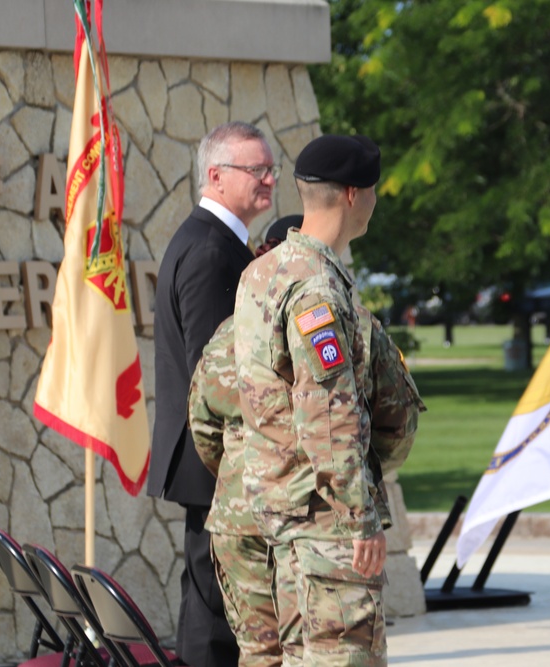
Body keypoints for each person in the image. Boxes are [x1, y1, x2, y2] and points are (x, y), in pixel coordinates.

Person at [188, 217, 424, 666]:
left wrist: (243, 473)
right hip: (315, 513)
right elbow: (398, 420)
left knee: (261, 653)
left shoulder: (228, 333)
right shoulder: (349, 320)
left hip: (241, 514)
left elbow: (202, 425)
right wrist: (361, 480)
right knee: (324, 653)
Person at [233, 134, 392, 666]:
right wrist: (359, 516)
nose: (373, 202)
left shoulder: (262, 271)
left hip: (283, 519)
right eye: (372, 192)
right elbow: (328, 416)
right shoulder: (316, 288)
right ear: (353, 195)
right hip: (326, 525)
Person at [149, 121, 278, 667]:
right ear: (216, 176)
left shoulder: (222, 242)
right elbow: (215, 374)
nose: (270, 179)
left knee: (212, 595)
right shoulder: (209, 250)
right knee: (214, 610)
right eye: (257, 170)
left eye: (271, 169)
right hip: (215, 462)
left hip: (213, 461)